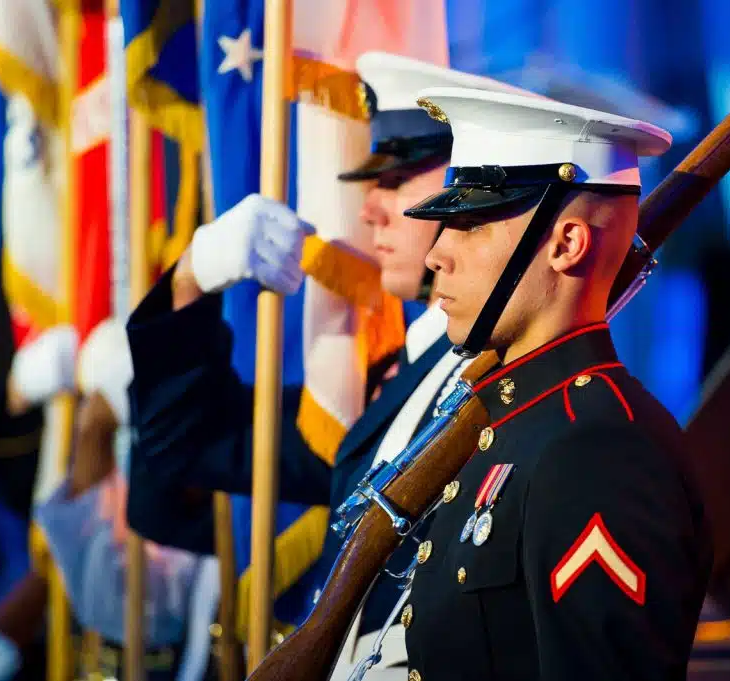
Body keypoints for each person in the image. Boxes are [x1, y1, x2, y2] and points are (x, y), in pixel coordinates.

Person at [125, 52, 532, 677]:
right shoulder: (391, 372)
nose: (369, 210)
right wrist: (190, 281)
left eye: (397, 181)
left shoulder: (497, 378)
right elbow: (185, 444)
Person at [383, 86, 714, 681]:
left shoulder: (598, 451)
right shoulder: (516, 425)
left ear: (567, 244)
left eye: (473, 226)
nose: (436, 255)